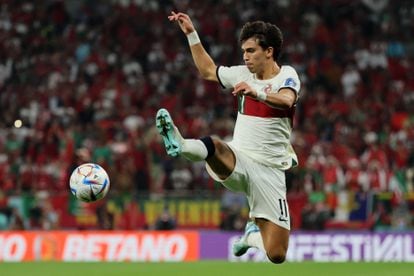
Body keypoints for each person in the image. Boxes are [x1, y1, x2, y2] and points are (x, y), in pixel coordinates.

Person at [156, 11, 301, 264]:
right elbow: (208, 71)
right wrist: (192, 34)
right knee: (215, 146)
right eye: (244, 51)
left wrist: (258, 93)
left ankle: (251, 235)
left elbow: (287, 99)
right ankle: (181, 144)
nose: (245, 57)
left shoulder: (286, 75)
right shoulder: (242, 74)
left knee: (277, 254)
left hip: (271, 171)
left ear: (269, 51)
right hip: (240, 158)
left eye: (251, 50)